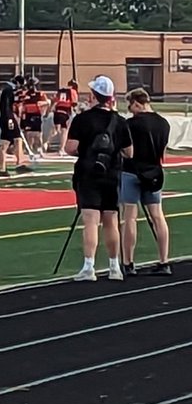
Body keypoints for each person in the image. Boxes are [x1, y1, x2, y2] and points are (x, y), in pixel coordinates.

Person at [64, 75, 133, 282]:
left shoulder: (82, 119)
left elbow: (70, 148)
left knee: (91, 221)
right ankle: (114, 267)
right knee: (112, 220)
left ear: (93, 96)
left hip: (88, 174)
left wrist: (86, 152)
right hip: (111, 175)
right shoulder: (119, 121)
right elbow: (129, 152)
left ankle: (89, 267)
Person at [121, 88, 172, 276]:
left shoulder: (130, 124)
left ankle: (128, 262)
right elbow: (163, 152)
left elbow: (128, 151)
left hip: (131, 171)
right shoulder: (163, 123)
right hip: (154, 172)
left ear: (136, 103)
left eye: (130, 105)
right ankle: (164, 260)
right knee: (158, 216)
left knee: (129, 218)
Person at [0, 74, 26, 177]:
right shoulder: (8, 90)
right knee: (5, 143)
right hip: (7, 118)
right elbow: (6, 107)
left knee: (18, 139)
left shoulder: (9, 90)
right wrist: (10, 119)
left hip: (8, 118)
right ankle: (3, 168)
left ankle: (19, 163)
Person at [19, 76, 49, 160]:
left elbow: (47, 102)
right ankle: (30, 149)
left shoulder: (41, 94)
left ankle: (39, 149)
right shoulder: (25, 94)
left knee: (38, 134)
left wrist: (41, 105)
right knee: (28, 133)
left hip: (36, 114)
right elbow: (22, 104)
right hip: (28, 114)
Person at [50, 79, 79, 155]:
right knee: (64, 131)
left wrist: (50, 109)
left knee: (56, 130)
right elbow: (74, 103)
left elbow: (55, 100)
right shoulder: (72, 91)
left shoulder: (61, 91)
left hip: (57, 111)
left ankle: (44, 144)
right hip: (65, 112)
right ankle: (61, 149)